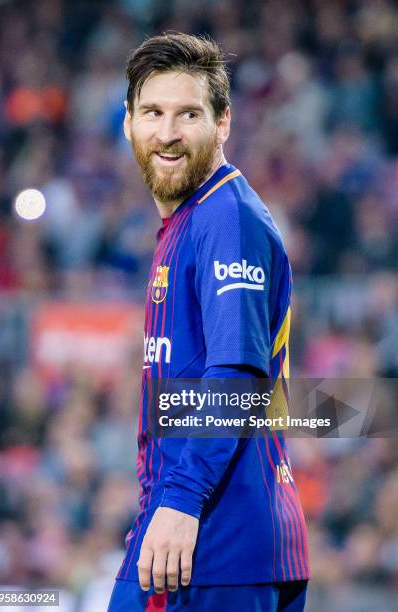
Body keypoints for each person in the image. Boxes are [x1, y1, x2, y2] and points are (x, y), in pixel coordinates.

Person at [108, 33, 309, 611]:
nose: (167, 133)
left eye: (188, 114)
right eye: (152, 112)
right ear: (128, 122)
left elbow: (238, 377)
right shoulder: (193, 219)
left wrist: (181, 501)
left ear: (222, 123)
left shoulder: (226, 218)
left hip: (214, 542)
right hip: (206, 535)